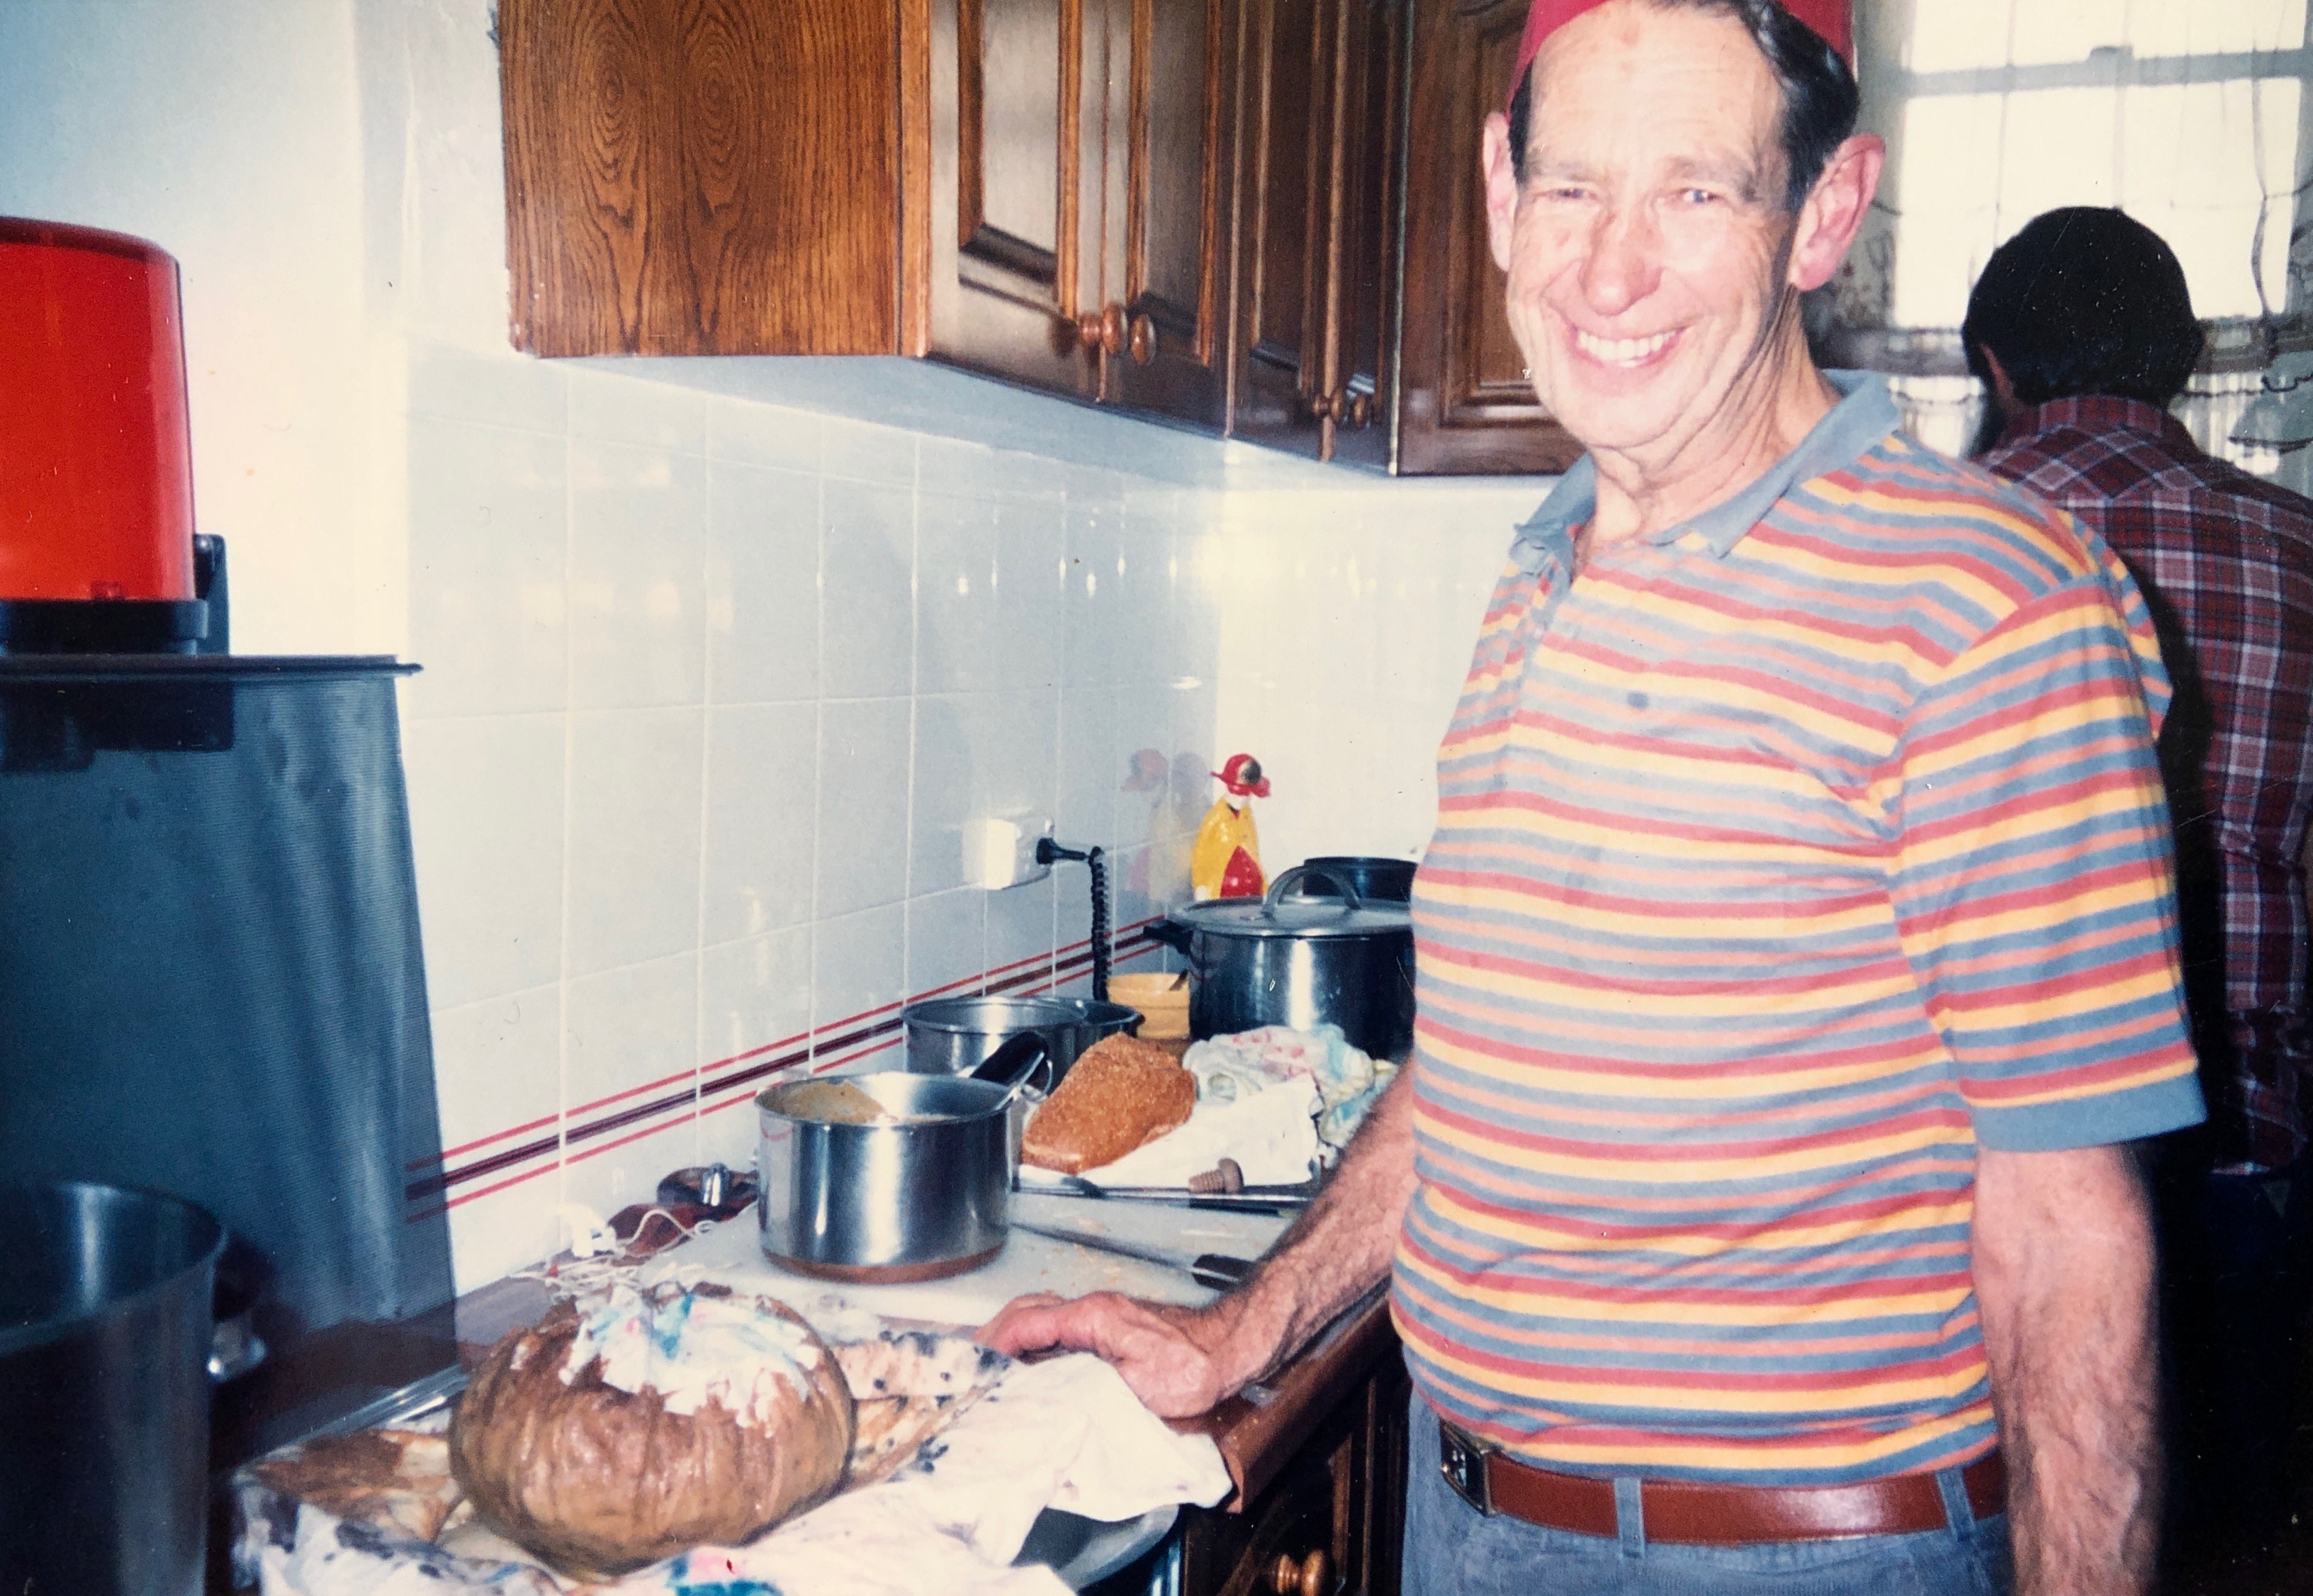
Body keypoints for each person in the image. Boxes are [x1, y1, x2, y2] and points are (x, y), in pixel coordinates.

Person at [982, 4, 2205, 1592]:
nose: (1611, 271)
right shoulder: (1542, 574)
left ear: (1823, 214)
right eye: (1572, 189)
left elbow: (2065, 1235)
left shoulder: (1989, 598)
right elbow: (1483, 1065)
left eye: (1695, 193)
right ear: (1501, 192)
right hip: (1468, 1522)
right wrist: (1243, 1329)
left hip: (1801, 1564)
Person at [1966, 208, 2313, 1552]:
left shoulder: (1930, 554)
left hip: (1984, 1193)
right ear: (2179, 360)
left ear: (1993, 361)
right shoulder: (2298, 552)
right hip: (2254, 1170)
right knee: (2226, 1547)